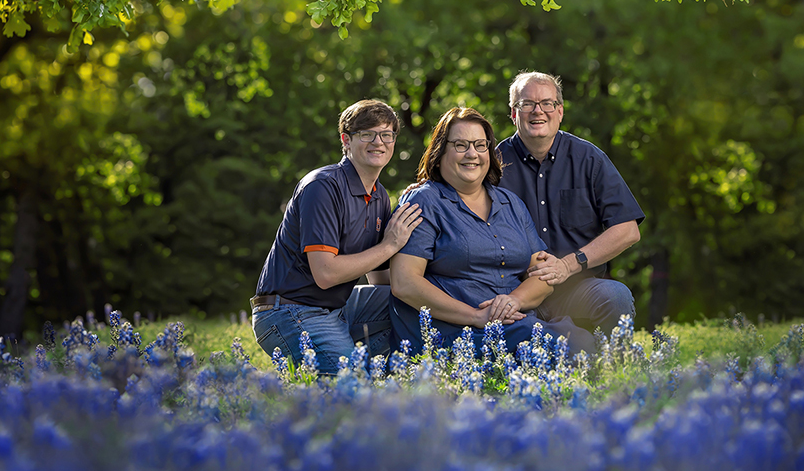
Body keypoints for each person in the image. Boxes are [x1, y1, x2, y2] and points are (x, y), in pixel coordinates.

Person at [389, 107, 597, 356]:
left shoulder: (510, 203)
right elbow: (404, 283)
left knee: (583, 342)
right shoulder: (424, 201)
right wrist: (477, 316)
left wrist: (514, 300)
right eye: (460, 145)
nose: (472, 154)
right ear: (440, 151)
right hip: (452, 331)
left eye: (480, 145)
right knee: (570, 350)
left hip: (517, 325)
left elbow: (543, 276)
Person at [251, 99, 423, 375]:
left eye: (386, 135)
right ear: (346, 140)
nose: (378, 142)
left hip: (336, 308)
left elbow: (380, 281)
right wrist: (390, 244)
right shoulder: (322, 187)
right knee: (350, 391)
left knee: (414, 304)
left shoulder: (379, 196)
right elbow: (326, 274)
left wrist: (420, 199)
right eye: (367, 134)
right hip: (291, 311)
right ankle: (355, 375)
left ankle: (390, 375)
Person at [496, 71, 646, 334]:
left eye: (547, 103)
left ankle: (617, 372)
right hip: (513, 292)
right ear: (513, 113)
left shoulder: (589, 159)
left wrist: (568, 265)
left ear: (560, 111)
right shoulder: (491, 165)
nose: (537, 111)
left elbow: (627, 230)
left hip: (578, 290)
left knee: (616, 296)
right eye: (527, 104)